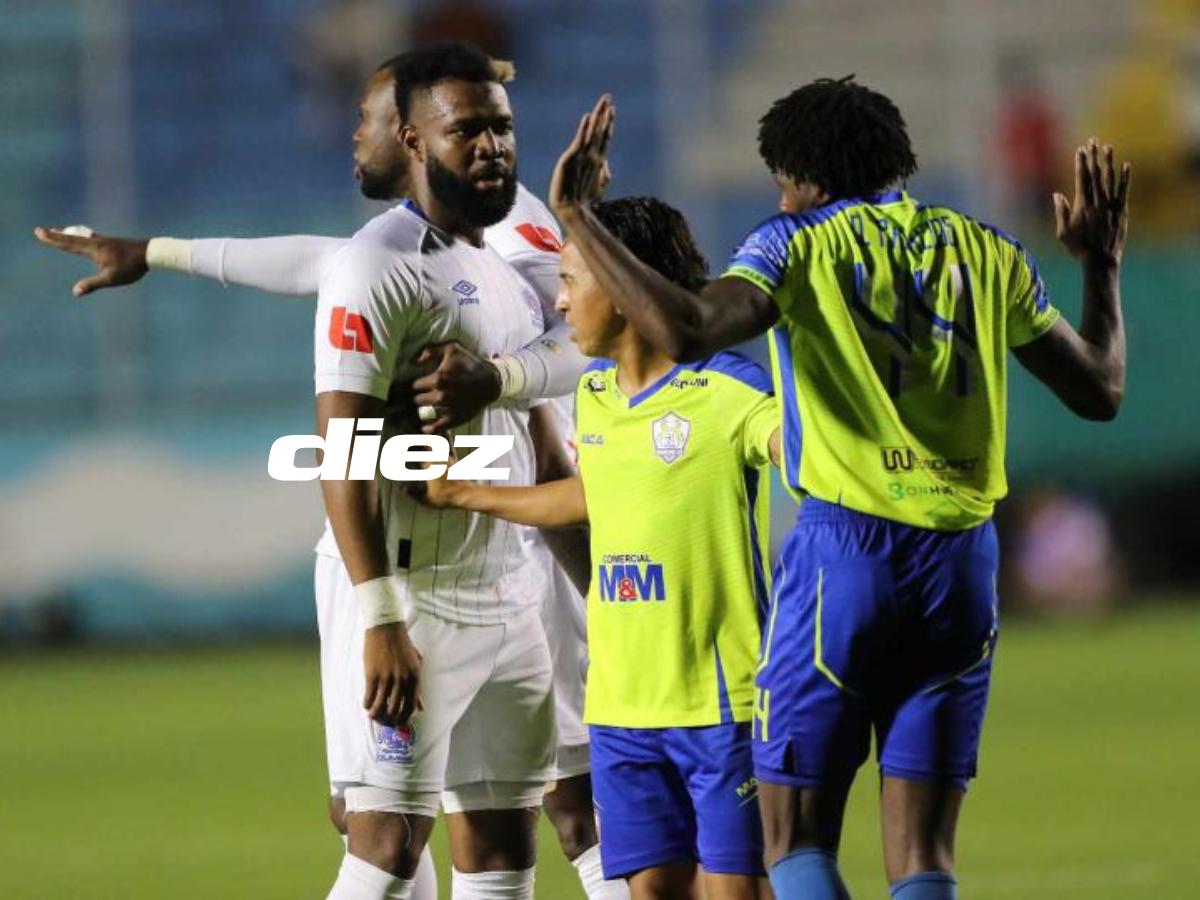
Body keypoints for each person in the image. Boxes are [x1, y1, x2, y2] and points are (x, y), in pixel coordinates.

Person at [35, 47, 624, 900]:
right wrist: (158, 251)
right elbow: (328, 275)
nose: (357, 136)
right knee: (390, 828)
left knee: (517, 823)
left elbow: (574, 350)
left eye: (368, 117)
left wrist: (509, 387)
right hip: (439, 567)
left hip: (521, 561)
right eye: (472, 127)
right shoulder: (400, 256)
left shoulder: (502, 239)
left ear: (408, 132)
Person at [548, 83, 1131, 900]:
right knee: (924, 853)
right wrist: (1101, 269)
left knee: (794, 838)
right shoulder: (988, 249)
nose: (780, 197)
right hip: (964, 567)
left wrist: (578, 217)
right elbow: (1100, 390)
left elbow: (683, 329)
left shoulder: (795, 241)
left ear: (803, 179)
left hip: (844, 556)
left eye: (782, 181)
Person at [418, 196, 778, 900]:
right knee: (652, 892)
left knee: (736, 893)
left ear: (625, 288)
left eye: (571, 280)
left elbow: (796, 447)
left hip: (722, 703)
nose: (559, 300)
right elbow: (595, 494)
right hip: (621, 708)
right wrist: (466, 495)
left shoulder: (729, 387)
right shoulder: (599, 397)